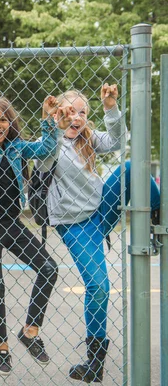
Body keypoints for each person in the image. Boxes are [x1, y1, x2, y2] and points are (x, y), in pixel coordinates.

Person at [36, 85, 161, 383]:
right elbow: (41, 161)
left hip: (100, 209)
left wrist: (110, 107)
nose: (76, 117)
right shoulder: (51, 143)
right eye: (69, 111)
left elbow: (119, 140)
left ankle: (158, 219)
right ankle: (95, 362)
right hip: (74, 226)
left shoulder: (88, 138)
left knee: (132, 167)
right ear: (57, 113)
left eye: (82, 112)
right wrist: (50, 125)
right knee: (99, 286)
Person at [0, 46, 59, 376]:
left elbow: (46, 147)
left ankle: (30, 332)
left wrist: (47, 119)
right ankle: (1, 347)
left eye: (3, 119)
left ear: (10, 122)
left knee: (48, 268)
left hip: (12, 223)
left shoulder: (18, 147)